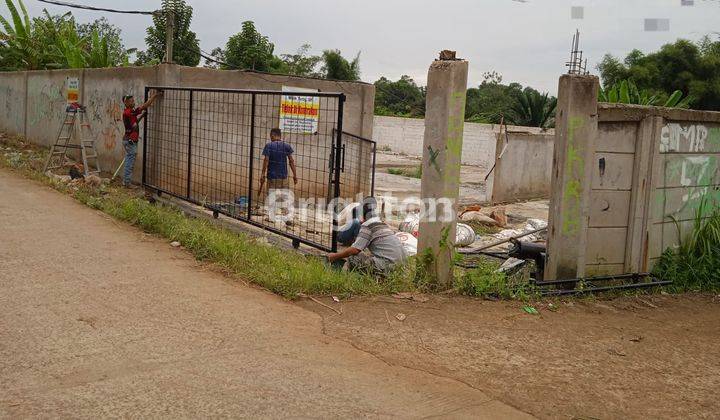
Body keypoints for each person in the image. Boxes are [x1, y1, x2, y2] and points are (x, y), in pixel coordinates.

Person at [327, 197, 406, 274]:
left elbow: (354, 250)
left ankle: (344, 278)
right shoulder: (383, 225)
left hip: (388, 266)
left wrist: (335, 256)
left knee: (354, 257)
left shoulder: (367, 225)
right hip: (400, 267)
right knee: (365, 255)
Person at [121, 90, 161, 187]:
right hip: (130, 140)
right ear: (126, 103)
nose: (133, 102)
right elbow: (144, 106)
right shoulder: (129, 112)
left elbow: (134, 124)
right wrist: (154, 96)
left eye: (133, 100)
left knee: (129, 160)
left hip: (130, 140)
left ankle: (126, 181)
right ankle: (127, 182)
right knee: (130, 162)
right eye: (131, 101)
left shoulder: (130, 113)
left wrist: (142, 116)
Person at [260, 128, 298, 221]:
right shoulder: (286, 146)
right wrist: (295, 175)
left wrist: (262, 173)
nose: (270, 138)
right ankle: (288, 217)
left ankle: (272, 217)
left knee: (271, 197)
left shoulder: (269, 146)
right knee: (286, 197)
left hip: (272, 177)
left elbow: (266, 160)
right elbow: (291, 161)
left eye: (270, 136)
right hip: (283, 177)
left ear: (273, 135)